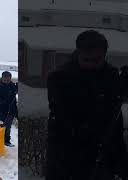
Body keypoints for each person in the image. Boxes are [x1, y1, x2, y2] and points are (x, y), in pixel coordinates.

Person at [46, 30, 128, 180]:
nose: (91, 65)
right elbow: (69, 119)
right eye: (86, 60)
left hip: (105, 160)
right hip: (68, 160)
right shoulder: (60, 78)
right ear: (78, 53)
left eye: (96, 60)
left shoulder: (111, 76)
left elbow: (114, 121)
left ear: (104, 55)